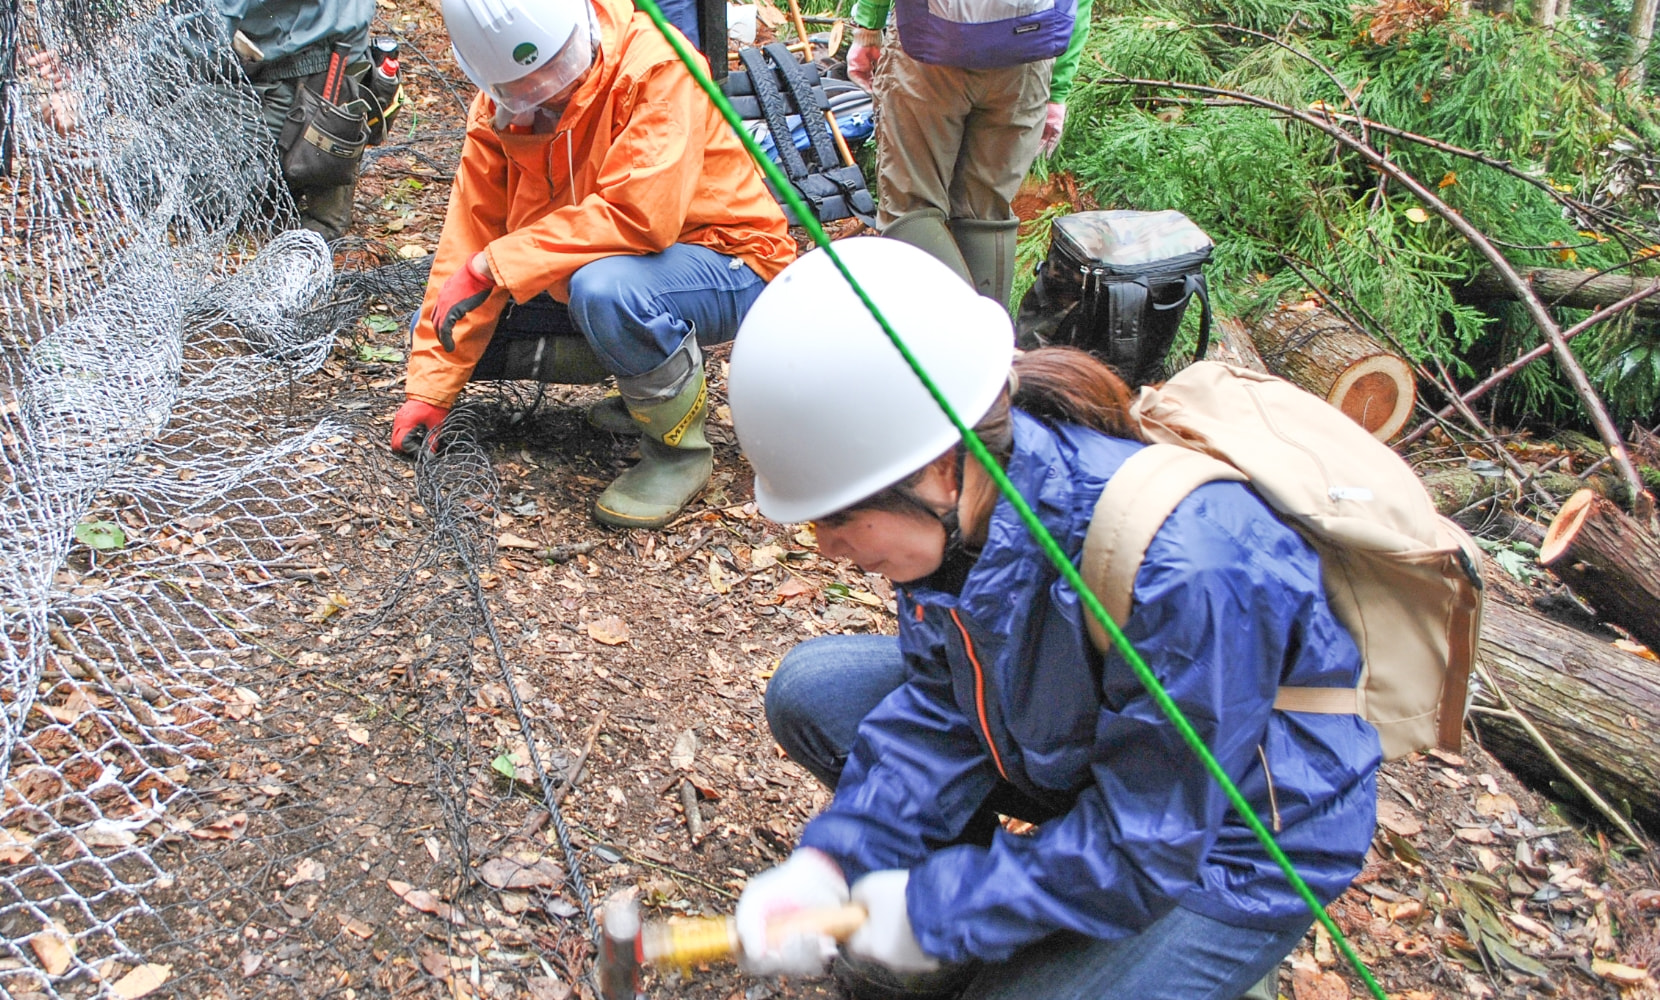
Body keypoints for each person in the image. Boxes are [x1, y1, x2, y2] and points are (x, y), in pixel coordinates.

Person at [724, 238, 1381, 1000]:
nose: (830, 550)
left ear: (941, 466)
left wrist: (931, 910)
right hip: (1097, 749)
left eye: (840, 518)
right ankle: (1014, 920)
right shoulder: (959, 527)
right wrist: (833, 863)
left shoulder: (1190, 566)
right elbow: (946, 708)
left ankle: (1197, 959)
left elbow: (1151, 838)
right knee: (816, 690)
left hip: (1231, 839)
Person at [389, 0, 794, 530]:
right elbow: (468, 238)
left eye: (555, 72)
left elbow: (639, 217)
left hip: (729, 260)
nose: (547, 93)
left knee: (604, 291)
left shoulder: (657, 65)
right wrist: (429, 389)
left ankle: (679, 452)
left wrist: (496, 265)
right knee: (462, 321)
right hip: (612, 264)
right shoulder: (497, 107)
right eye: (525, 89)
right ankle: (640, 388)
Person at [841, 0, 1092, 307]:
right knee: (986, 211)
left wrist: (869, 27)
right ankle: (991, 346)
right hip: (1026, 51)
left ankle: (959, 338)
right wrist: (1058, 87)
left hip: (927, 50)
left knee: (912, 208)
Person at [218, 0, 376, 239]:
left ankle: (310, 202)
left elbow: (200, 35)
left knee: (185, 181)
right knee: (331, 122)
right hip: (348, 48)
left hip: (308, 73)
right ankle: (303, 189)